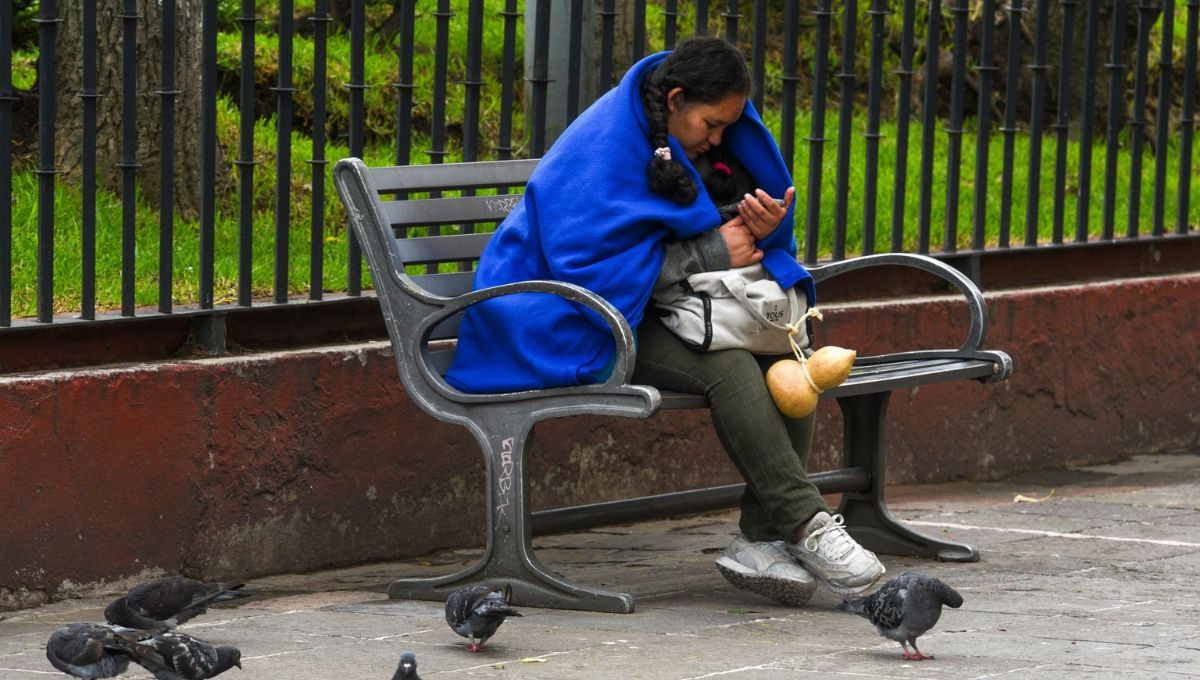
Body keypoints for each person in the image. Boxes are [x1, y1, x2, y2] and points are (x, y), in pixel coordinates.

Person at [445, 36, 884, 604]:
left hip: (648, 308)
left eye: (729, 126)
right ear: (676, 99)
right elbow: (585, 270)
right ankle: (806, 525)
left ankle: (761, 537)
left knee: (780, 351)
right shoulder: (605, 143)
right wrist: (710, 253)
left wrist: (763, 225)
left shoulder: (679, 131)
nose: (720, 139)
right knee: (727, 366)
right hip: (558, 319)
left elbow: (699, 223)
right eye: (711, 123)